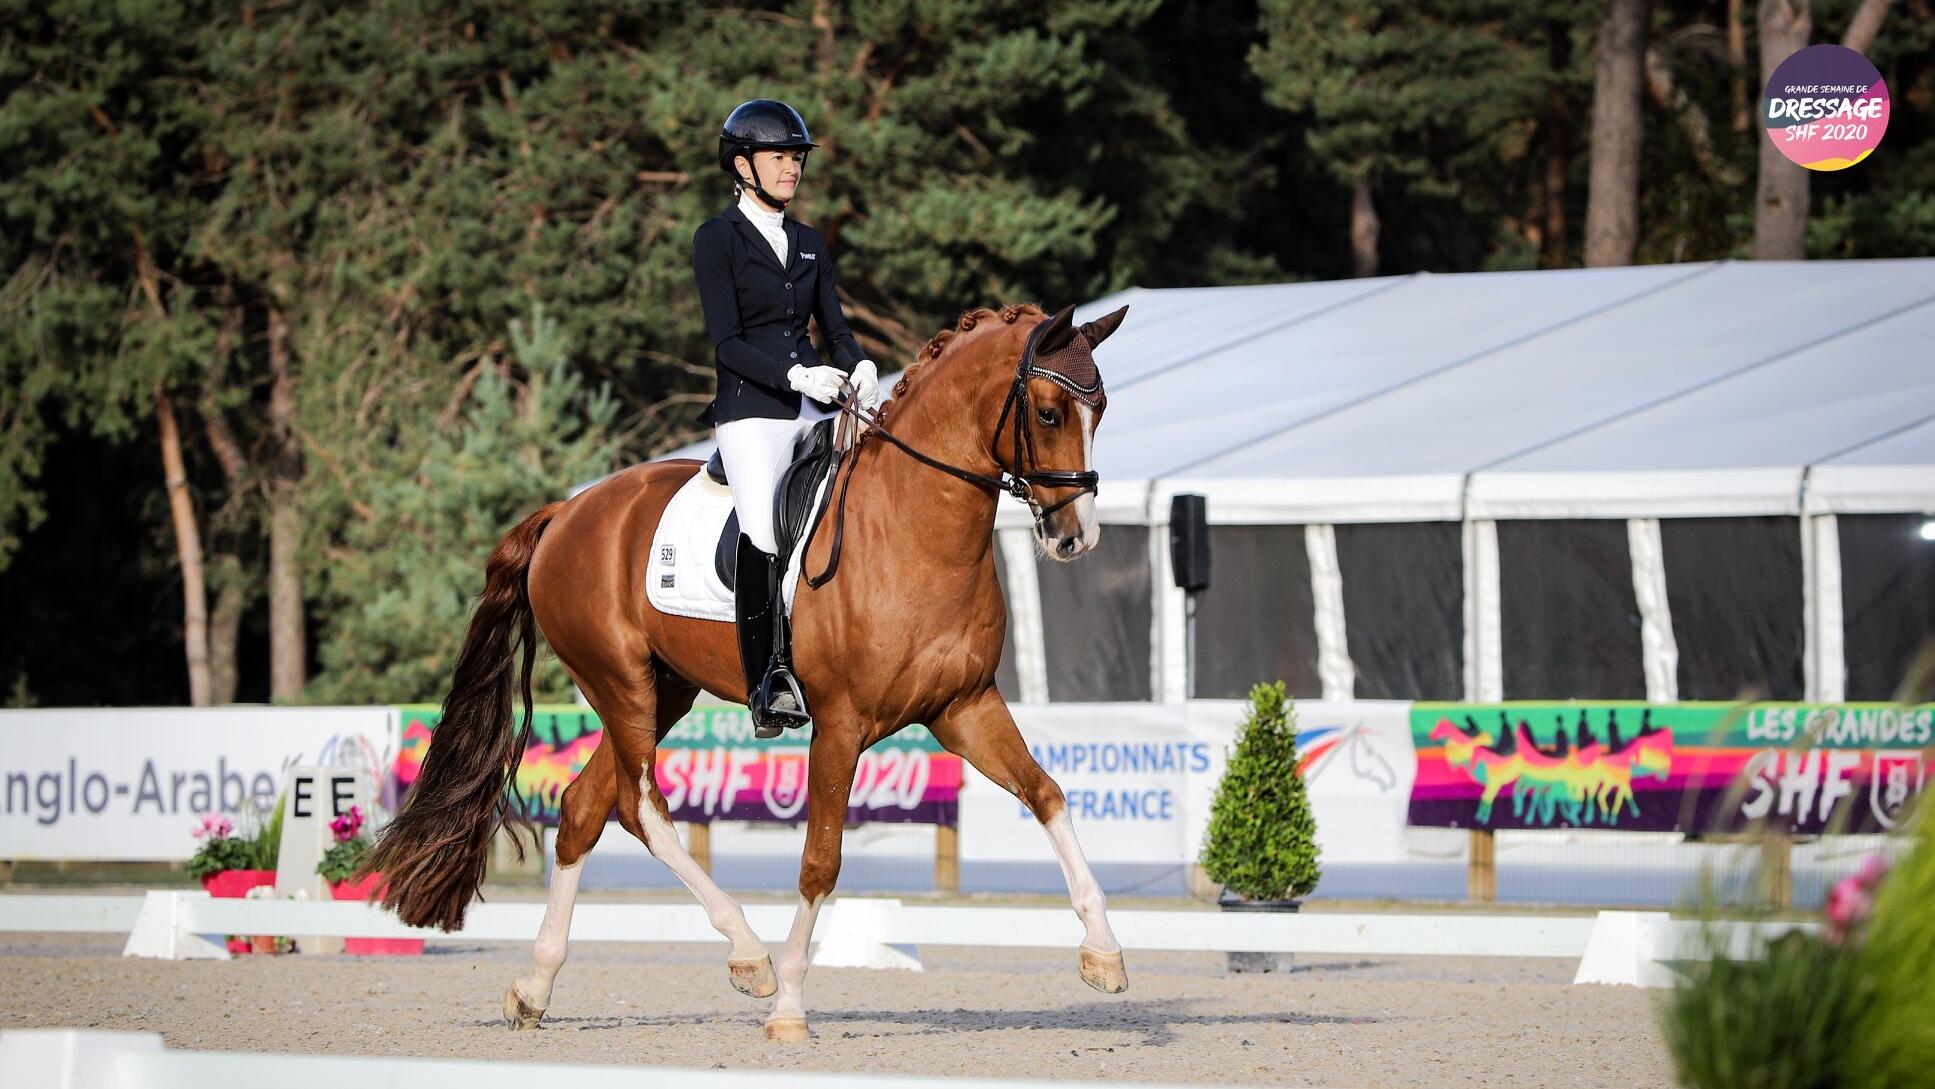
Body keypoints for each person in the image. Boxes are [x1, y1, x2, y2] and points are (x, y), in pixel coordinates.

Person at [691, 98, 881, 734]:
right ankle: (766, 678)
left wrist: (859, 365)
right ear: (743, 165)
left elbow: (836, 327)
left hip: (815, 404)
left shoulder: (808, 242)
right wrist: (796, 374)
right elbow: (727, 343)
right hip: (752, 412)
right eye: (780, 158)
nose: (792, 168)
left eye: (796, 158)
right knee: (766, 532)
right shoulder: (717, 240)